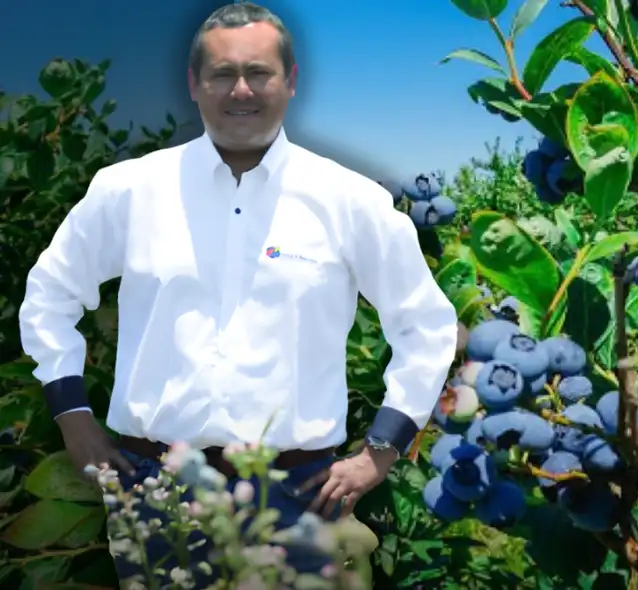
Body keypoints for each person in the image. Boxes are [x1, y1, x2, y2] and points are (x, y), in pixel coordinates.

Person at [17, 2, 458, 586]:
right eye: (223, 74)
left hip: (299, 495)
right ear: (194, 84)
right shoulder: (129, 190)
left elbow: (425, 325)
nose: (241, 90)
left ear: (291, 82)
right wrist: (72, 414)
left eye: (260, 73)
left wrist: (380, 450)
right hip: (154, 489)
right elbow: (49, 294)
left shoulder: (349, 201)